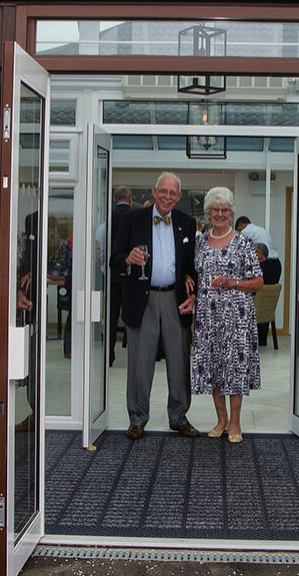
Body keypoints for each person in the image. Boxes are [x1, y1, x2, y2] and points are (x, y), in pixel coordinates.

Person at [110, 172, 199, 440]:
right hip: (142, 299)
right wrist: (128, 259)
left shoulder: (187, 223)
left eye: (173, 193)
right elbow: (114, 259)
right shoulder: (131, 220)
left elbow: (194, 266)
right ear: (154, 191)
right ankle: (137, 418)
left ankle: (179, 417)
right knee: (140, 362)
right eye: (164, 191)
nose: (168, 197)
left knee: (179, 361)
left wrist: (192, 287)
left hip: (175, 299)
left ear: (179, 196)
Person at [190, 187, 264, 444]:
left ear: (231, 212)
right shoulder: (199, 241)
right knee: (213, 368)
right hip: (207, 318)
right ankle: (220, 419)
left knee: (234, 368)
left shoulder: (243, 242)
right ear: (208, 212)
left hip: (237, 317)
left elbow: (258, 282)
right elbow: (194, 274)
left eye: (225, 209)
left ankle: (235, 421)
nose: (220, 214)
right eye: (215, 209)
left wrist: (233, 283)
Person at [108, 186, 133, 365]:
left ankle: (109, 354)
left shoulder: (108, 217)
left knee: (111, 314)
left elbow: (101, 247)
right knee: (132, 316)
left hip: (112, 273)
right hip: (132, 274)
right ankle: (133, 355)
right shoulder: (135, 216)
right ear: (130, 198)